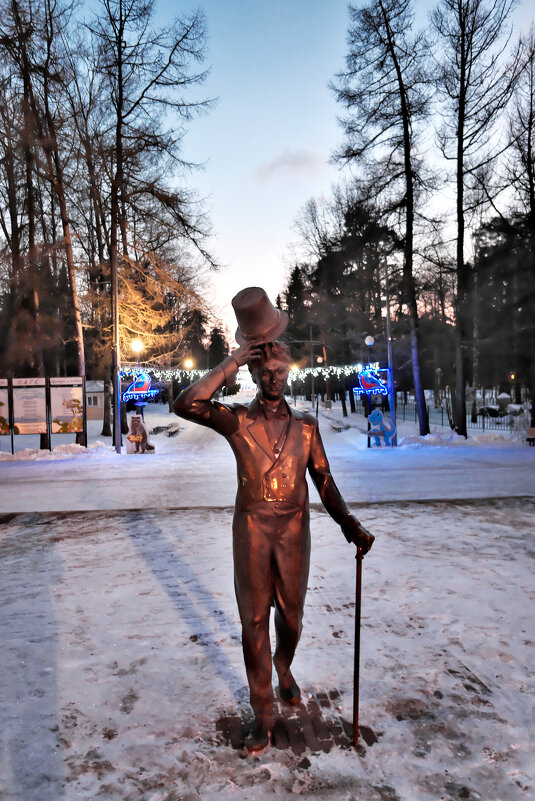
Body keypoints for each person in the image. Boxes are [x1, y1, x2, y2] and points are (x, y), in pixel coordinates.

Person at [174, 287, 374, 754]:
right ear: (256, 373)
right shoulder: (239, 420)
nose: (274, 379)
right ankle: (262, 712)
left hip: (292, 530)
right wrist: (231, 360)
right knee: (253, 619)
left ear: (289, 373)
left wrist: (350, 525)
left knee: (293, 617)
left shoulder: (306, 426)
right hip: (252, 529)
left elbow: (323, 479)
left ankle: (284, 668)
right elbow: (187, 405)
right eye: (265, 372)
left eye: (280, 372)